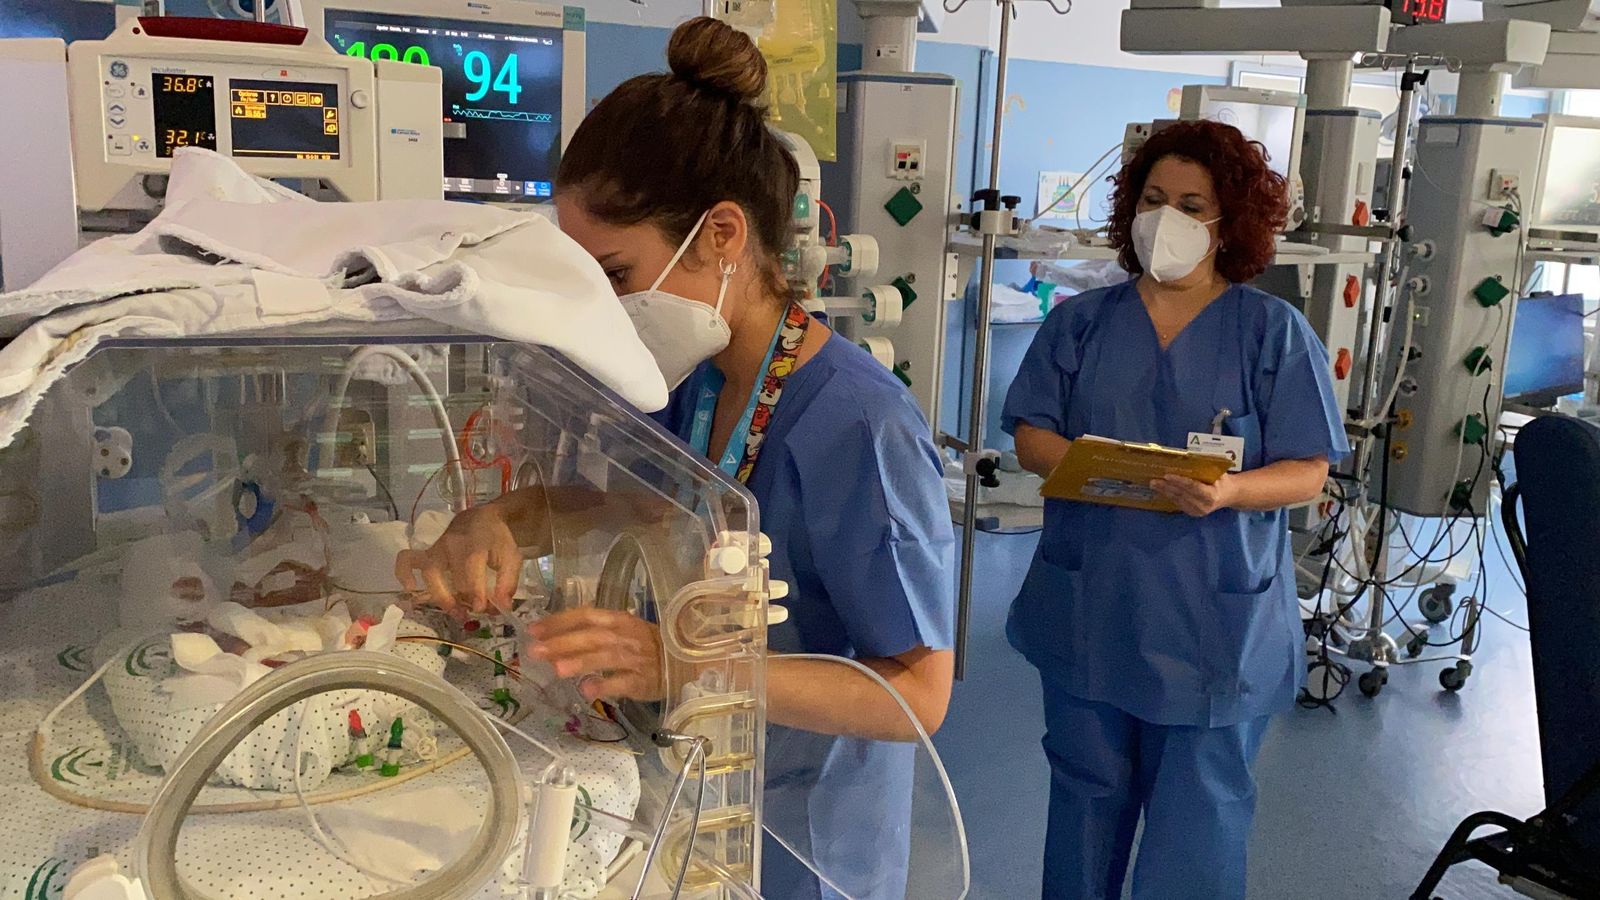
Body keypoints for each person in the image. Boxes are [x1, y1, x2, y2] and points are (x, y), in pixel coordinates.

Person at [395, 17, 956, 899]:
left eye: (615, 275)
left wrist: (689, 666)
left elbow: (918, 694)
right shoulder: (685, 378)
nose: (604, 308)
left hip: (801, 835)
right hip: (682, 791)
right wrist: (497, 519)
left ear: (722, 235)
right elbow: (632, 506)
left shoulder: (858, 428)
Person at [1002, 119, 1349, 900]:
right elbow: (1030, 436)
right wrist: (1099, 468)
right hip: (1094, 603)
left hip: (1212, 625)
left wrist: (1229, 490)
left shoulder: (1271, 334)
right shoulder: (1082, 324)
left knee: (1197, 825)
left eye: (1194, 205)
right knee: (1084, 802)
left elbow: (1307, 471)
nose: (1169, 219)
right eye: (1154, 199)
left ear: (1232, 223)